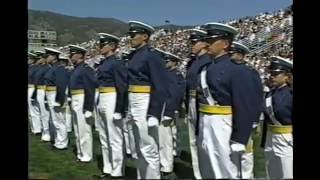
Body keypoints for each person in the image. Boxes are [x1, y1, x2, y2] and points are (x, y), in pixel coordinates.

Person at [196, 22, 263, 179]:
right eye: (207, 39)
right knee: (207, 167)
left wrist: (240, 138)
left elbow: (244, 106)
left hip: (225, 124)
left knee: (226, 169)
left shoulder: (238, 70)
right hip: (206, 122)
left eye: (212, 40)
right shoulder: (204, 68)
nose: (207, 43)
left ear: (225, 44)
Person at [126, 20, 170, 179]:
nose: (130, 38)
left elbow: (160, 86)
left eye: (133, 35)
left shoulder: (152, 56)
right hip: (134, 99)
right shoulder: (133, 55)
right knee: (136, 145)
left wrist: (154, 113)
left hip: (145, 100)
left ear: (144, 36)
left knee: (148, 146)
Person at [229, 41, 263, 178]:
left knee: (246, 149)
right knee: (231, 148)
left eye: (233, 53)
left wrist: (254, 118)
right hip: (230, 115)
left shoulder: (250, 73)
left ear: (241, 56)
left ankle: (247, 175)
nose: (230, 56)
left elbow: (256, 96)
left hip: (245, 116)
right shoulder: (229, 70)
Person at [96, 33, 127, 178]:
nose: (100, 47)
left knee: (114, 137)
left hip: (112, 98)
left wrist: (119, 109)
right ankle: (107, 167)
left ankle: (117, 170)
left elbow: (122, 87)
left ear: (113, 46)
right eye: (101, 44)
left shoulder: (117, 63)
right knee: (104, 136)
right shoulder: (104, 63)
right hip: (103, 97)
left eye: (103, 45)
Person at [185, 28, 211, 179]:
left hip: (202, 102)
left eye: (195, 42)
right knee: (193, 140)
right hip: (191, 101)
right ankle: (198, 173)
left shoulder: (208, 61)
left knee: (204, 140)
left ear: (203, 44)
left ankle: (206, 172)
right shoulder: (192, 62)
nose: (192, 45)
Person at [156, 49, 186, 176]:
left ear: (174, 62)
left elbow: (174, 95)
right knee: (161, 138)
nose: (164, 62)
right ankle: (164, 162)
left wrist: (169, 112)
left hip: (166, 109)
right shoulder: (165, 74)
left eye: (167, 60)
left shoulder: (174, 75)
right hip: (160, 108)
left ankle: (167, 166)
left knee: (165, 139)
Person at [262, 56, 293, 179]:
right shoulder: (270, 93)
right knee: (272, 173)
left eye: (275, 73)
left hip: (286, 139)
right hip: (271, 137)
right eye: (271, 73)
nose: (272, 76)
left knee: (287, 173)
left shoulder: (290, 95)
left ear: (286, 76)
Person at [69, 44, 96, 163]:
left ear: (80, 55)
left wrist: (88, 108)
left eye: (72, 54)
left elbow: (90, 89)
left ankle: (86, 155)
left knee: (84, 129)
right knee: (77, 128)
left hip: (82, 98)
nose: (70, 56)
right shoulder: (76, 69)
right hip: (76, 98)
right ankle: (80, 153)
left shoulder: (85, 69)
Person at [44, 52, 71, 150]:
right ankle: (57, 140)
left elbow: (61, 85)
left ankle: (62, 143)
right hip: (50, 94)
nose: (46, 57)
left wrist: (59, 100)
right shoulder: (53, 68)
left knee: (59, 120)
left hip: (55, 94)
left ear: (54, 57)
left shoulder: (59, 69)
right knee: (55, 120)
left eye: (48, 56)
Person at [33, 50, 52, 142]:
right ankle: (43, 130)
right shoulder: (40, 67)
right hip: (39, 90)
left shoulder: (47, 68)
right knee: (40, 112)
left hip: (43, 90)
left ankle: (47, 133)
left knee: (45, 114)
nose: (38, 59)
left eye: (40, 58)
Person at [28, 52, 41, 135]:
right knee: (30, 111)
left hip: (32, 87)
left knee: (34, 110)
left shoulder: (35, 68)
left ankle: (37, 129)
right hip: (30, 87)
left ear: (33, 60)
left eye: (29, 58)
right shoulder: (30, 67)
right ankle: (34, 127)